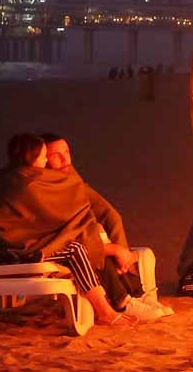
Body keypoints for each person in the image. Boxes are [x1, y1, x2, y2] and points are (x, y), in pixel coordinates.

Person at [0, 133, 157, 325]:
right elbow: (51, 226)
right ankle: (108, 310)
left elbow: (94, 216)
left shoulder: (25, 177)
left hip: (22, 246)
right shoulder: (28, 183)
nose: (49, 160)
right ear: (31, 159)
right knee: (76, 248)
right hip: (5, 250)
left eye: (66, 152)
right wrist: (110, 248)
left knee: (86, 241)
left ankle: (122, 300)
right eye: (45, 156)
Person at [39, 133, 171, 318]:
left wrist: (121, 254)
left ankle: (139, 296)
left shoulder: (71, 176)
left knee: (131, 245)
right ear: (44, 159)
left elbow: (108, 213)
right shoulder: (44, 186)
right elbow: (67, 230)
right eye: (56, 155)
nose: (64, 159)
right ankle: (123, 302)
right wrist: (111, 249)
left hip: (86, 241)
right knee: (97, 239)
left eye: (67, 152)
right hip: (66, 246)